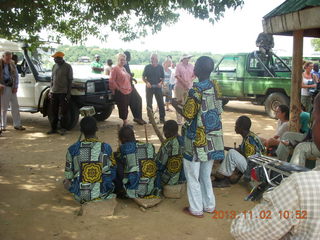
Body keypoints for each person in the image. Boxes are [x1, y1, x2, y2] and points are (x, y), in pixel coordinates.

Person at [230, 94, 320, 240]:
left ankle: (287, 165)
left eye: (314, 119)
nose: (312, 122)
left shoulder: (300, 186)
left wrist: (240, 220)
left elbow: (247, 232)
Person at [172, 56, 224, 218]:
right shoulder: (215, 86)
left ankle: (196, 209)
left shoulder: (196, 90)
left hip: (196, 139)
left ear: (197, 71)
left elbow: (188, 115)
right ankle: (209, 205)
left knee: (193, 176)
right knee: (205, 175)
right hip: (213, 137)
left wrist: (175, 105)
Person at [63, 116, 116, 203]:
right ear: (97, 129)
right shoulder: (106, 147)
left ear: (81, 130)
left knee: (66, 182)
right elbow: (113, 172)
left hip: (80, 196)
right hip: (103, 194)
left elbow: (68, 175)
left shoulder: (72, 149)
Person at [213, 116, 265, 187]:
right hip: (256, 168)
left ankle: (223, 179)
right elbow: (240, 150)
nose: (235, 127)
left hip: (255, 172)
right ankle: (225, 176)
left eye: (236, 125)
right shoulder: (249, 136)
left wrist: (240, 173)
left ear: (241, 127)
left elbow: (251, 161)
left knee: (231, 153)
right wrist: (224, 148)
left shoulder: (249, 140)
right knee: (232, 153)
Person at [118, 126, 159, 198]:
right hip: (150, 189)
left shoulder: (124, 148)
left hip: (134, 191)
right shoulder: (150, 146)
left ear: (123, 139)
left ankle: (122, 189)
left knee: (117, 162)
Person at [48, 51, 73, 135]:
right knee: (53, 111)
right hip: (54, 92)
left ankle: (63, 128)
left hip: (63, 92)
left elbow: (70, 80)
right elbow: (52, 79)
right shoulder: (54, 66)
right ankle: (53, 128)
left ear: (60, 58)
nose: (54, 60)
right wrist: (50, 90)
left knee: (63, 112)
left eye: (56, 58)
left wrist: (68, 93)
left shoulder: (68, 67)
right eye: (54, 58)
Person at [155, 120, 185, 187]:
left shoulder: (167, 144)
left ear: (166, 132)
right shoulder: (184, 141)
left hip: (169, 179)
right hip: (184, 176)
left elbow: (160, 164)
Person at [0, 51, 25, 131]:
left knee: (15, 106)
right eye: (7, 58)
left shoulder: (12, 64)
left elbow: (16, 76)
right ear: (3, 57)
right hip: (3, 87)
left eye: (10, 58)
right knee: (4, 108)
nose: (9, 60)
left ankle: (17, 125)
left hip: (12, 87)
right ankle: (3, 126)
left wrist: (16, 86)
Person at [109, 53, 132, 127]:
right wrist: (118, 88)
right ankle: (125, 123)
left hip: (127, 90)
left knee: (126, 107)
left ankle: (126, 122)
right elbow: (112, 80)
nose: (123, 61)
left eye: (124, 60)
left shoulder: (124, 68)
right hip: (120, 91)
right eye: (121, 60)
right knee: (123, 107)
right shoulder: (115, 68)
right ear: (118, 60)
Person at [124, 51, 146, 125]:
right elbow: (125, 75)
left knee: (136, 100)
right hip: (127, 86)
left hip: (129, 85)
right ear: (126, 56)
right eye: (129, 56)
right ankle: (138, 117)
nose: (130, 57)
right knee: (138, 99)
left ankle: (138, 117)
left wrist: (132, 78)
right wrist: (131, 75)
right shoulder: (124, 64)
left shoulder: (126, 64)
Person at [142, 53, 165, 124]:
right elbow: (143, 77)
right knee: (149, 103)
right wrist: (147, 83)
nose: (152, 59)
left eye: (153, 58)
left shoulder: (160, 67)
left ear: (157, 59)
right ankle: (151, 119)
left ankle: (162, 118)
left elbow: (163, 78)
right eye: (151, 58)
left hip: (158, 88)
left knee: (161, 103)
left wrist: (160, 83)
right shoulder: (147, 67)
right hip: (149, 87)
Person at [175, 54, 195, 125]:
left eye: (189, 58)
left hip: (189, 87)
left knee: (187, 104)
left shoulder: (191, 66)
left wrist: (190, 81)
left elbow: (194, 75)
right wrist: (184, 83)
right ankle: (179, 121)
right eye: (186, 58)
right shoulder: (178, 66)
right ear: (183, 59)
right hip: (179, 87)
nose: (188, 59)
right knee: (179, 103)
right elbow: (177, 76)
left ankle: (186, 120)